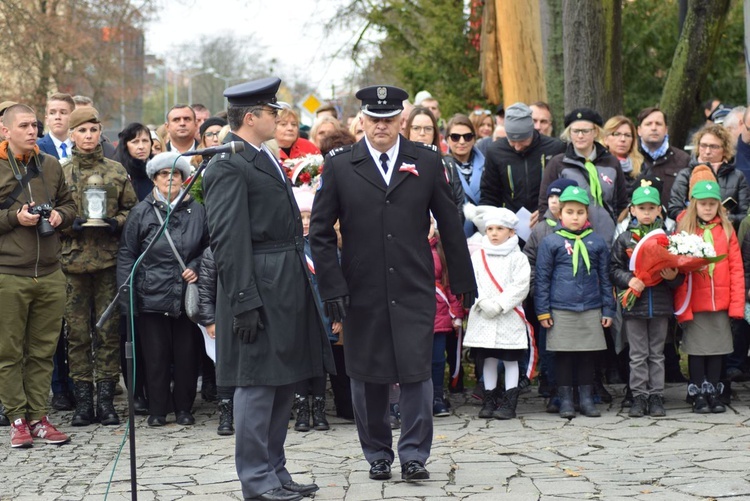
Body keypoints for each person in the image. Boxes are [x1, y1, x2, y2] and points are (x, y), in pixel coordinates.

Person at [309, 85, 476, 483]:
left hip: (413, 284)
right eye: (374, 119)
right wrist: (332, 288)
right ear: (362, 120)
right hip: (360, 288)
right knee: (367, 375)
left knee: (417, 372)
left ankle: (415, 454)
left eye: (388, 119)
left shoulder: (428, 161)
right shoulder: (340, 165)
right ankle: (378, 454)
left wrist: (463, 282)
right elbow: (319, 233)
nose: (381, 126)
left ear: (401, 119)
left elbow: (451, 225)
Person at [202, 77, 333, 501]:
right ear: (252, 117)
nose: (279, 117)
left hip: (283, 279)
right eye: (271, 111)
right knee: (257, 385)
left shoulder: (263, 156)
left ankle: (275, 471)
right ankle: (256, 480)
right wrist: (242, 300)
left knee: (281, 382)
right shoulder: (227, 164)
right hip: (256, 283)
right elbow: (227, 237)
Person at [0, 103, 77, 447]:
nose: (32, 131)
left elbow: (71, 205)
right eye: (24, 125)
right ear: (5, 130)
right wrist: (16, 218)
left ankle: (39, 417)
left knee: (43, 350)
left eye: (35, 125)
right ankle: (17, 418)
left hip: (49, 273)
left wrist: (60, 216)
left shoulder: (50, 166)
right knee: (9, 351)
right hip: (8, 274)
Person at [117, 152, 209, 427]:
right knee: (154, 357)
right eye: (164, 174)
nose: (170, 179)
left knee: (186, 357)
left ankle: (184, 408)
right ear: (155, 179)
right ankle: (158, 410)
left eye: (175, 174)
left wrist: (196, 264)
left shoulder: (198, 210)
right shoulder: (141, 211)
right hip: (150, 295)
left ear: (183, 178)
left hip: (185, 296)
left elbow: (209, 246)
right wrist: (127, 298)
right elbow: (127, 254)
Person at [61, 107, 137, 427]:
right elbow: (53, 215)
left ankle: (106, 402)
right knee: (76, 335)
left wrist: (113, 222)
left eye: (93, 130)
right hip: (72, 264)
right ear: (72, 135)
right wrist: (71, 224)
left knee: (107, 332)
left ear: (100, 132)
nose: (88, 136)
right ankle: (83, 402)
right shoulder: (60, 173)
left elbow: (132, 211)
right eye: (82, 131)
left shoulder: (116, 171)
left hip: (107, 260)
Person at [535, 186, 616, 419]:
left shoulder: (597, 242)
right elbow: (542, 279)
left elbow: (605, 278)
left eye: (580, 212)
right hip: (561, 309)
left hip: (590, 308)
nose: (575, 217)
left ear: (587, 215)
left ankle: (587, 398)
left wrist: (607, 308)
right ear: (560, 214)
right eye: (569, 212)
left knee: (586, 355)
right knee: (564, 356)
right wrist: (543, 311)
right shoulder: (551, 243)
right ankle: (566, 400)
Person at [609, 185, 682, 418]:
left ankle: (657, 395)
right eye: (642, 208)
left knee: (657, 353)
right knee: (638, 354)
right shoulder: (625, 239)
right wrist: (629, 280)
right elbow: (613, 269)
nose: (647, 213)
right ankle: (639, 395)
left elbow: (679, 274)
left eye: (652, 208)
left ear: (660, 210)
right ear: (632, 210)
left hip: (660, 306)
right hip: (634, 307)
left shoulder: (668, 239)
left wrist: (673, 277)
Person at [673, 178, 744, 413]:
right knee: (696, 349)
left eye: (712, 204)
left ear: (718, 206)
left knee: (717, 349)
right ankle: (697, 391)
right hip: (696, 302)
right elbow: (680, 270)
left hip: (721, 303)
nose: (707, 208)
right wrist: (682, 306)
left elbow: (735, 268)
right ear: (694, 204)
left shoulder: (726, 230)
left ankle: (713, 390)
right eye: (702, 204)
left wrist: (736, 305)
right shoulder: (685, 230)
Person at [464, 208, 531, 420]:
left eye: (499, 229)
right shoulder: (477, 257)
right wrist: (483, 302)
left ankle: (509, 403)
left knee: (510, 359)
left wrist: (500, 304)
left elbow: (520, 286)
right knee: (489, 359)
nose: (493, 233)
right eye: (490, 229)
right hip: (483, 315)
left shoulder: (518, 258)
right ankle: (489, 400)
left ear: (511, 232)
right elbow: (472, 282)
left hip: (508, 316)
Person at [523, 178, 578, 411]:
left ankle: (580, 388)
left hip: (575, 299)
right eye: (551, 198)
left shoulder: (582, 226)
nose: (555, 202)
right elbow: (529, 262)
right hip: (547, 298)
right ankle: (551, 386)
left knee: (575, 347)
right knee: (548, 346)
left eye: (560, 197)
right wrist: (537, 291)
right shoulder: (541, 229)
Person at [290, 187, 341, 432]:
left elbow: (336, 280)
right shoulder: (290, 248)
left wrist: (338, 314)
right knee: (300, 362)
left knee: (321, 362)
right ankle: (302, 409)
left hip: (323, 312)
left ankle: (319, 409)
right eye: (302, 217)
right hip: (297, 314)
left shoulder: (325, 246)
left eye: (311, 217)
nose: (307, 222)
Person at [480, 102, 566, 226]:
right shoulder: (495, 151)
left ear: (531, 131)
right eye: (512, 141)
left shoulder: (554, 148)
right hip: (509, 225)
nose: (518, 147)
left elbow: (566, 188)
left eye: (523, 141)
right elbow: (489, 194)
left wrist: (547, 210)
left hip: (548, 222)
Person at [668, 124, 750, 226]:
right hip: (692, 235)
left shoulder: (738, 177)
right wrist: (699, 218)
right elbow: (673, 209)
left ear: (725, 150)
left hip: (726, 234)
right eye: (703, 145)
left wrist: (724, 218)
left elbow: (745, 214)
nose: (707, 151)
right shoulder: (686, 174)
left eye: (713, 147)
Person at [196, 245, 236, 435]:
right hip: (223, 319)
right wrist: (210, 321)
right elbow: (205, 291)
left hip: (252, 318)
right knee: (224, 366)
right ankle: (226, 415)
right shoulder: (212, 251)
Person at [428, 220, 464, 417]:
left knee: (437, 360)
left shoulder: (441, 250)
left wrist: (457, 314)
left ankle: (436, 397)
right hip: (414, 315)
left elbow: (449, 285)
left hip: (439, 313)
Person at [405, 106, 465, 223]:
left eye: (428, 129)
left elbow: (458, 204)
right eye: (416, 128)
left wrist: (445, 235)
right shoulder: (398, 163)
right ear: (408, 131)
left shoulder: (447, 163)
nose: (422, 133)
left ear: (435, 132)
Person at [636, 107, 690, 200]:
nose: (653, 128)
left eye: (658, 124)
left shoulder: (683, 160)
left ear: (666, 130)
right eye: (648, 124)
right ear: (639, 130)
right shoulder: (630, 158)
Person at [446, 114, 485, 237]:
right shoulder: (439, 166)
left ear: (474, 139)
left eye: (467, 137)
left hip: (486, 236)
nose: (462, 142)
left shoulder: (488, 164)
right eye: (455, 137)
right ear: (447, 139)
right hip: (455, 235)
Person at [602, 115, 643, 196]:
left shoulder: (642, 166)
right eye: (617, 134)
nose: (623, 139)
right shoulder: (599, 165)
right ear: (605, 139)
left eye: (627, 135)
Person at [115, 122, 154, 201]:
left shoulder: (159, 169)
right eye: (135, 142)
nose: (141, 147)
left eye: (145, 141)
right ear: (126, 145)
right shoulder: (118, 172)